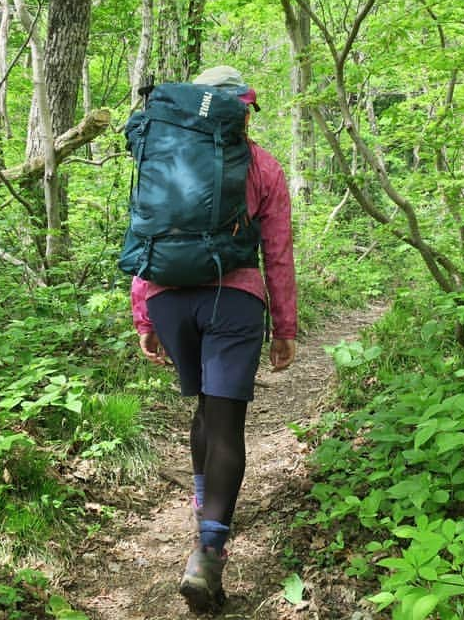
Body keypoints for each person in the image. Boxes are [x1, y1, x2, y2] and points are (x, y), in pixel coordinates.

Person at [129, 65, 298, 613]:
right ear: (242, 109)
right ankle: (208, 548)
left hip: (167, 295)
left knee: (202, 408)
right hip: (235, 297)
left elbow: (145, 231)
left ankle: (207, 507)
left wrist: (144, 318)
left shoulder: (164, 155)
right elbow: (277, 252)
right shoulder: (262, 165)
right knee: (226, 422)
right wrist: (285, 327)